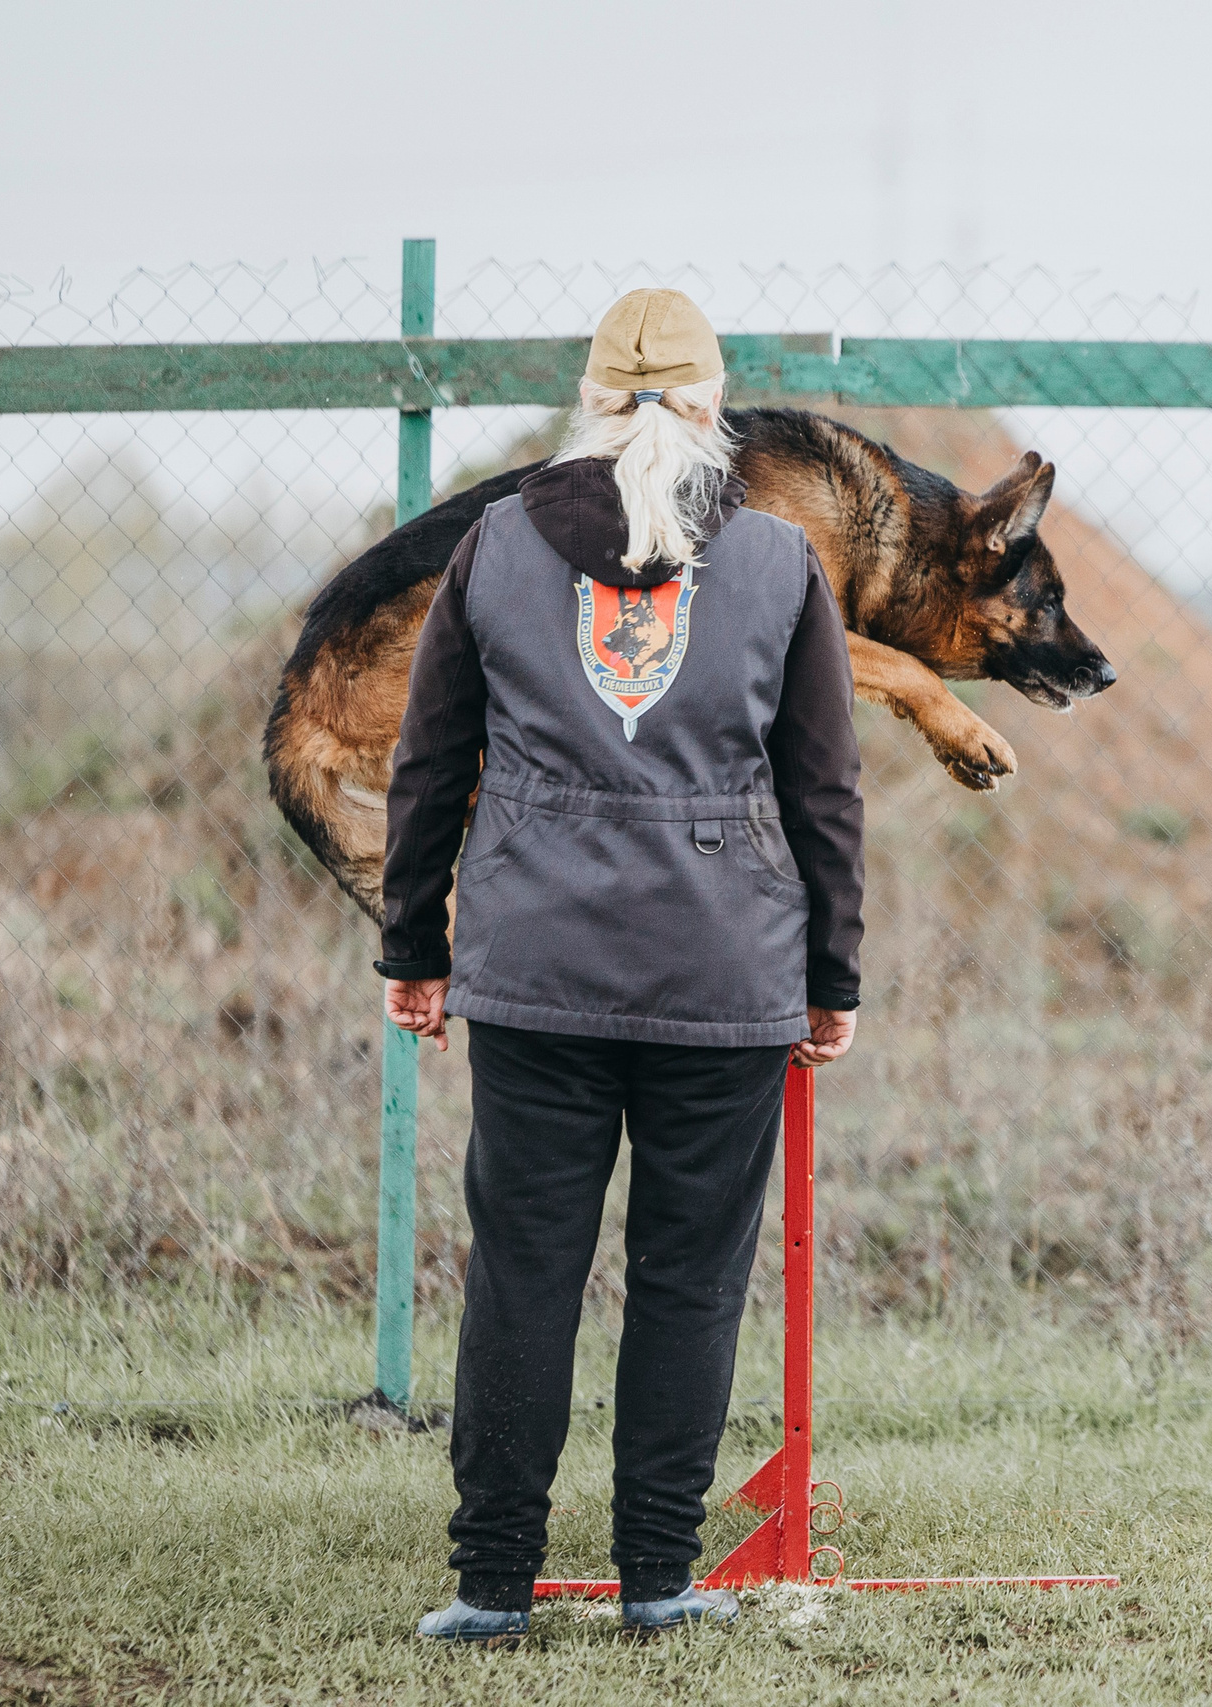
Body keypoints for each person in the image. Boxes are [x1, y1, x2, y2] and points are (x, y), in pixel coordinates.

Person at [374, 287, 864, 1639]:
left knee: (524, 1270)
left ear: (588, 401)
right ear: (716, 408)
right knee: (689, 1278)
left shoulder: (493, 546)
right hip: (725, 977)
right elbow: (824, 790)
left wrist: (414, 946)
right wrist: (834, 976)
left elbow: (430, 766)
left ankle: (491, 1589)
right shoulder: (774, 560)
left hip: (536, 973)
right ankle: (658, 1580)